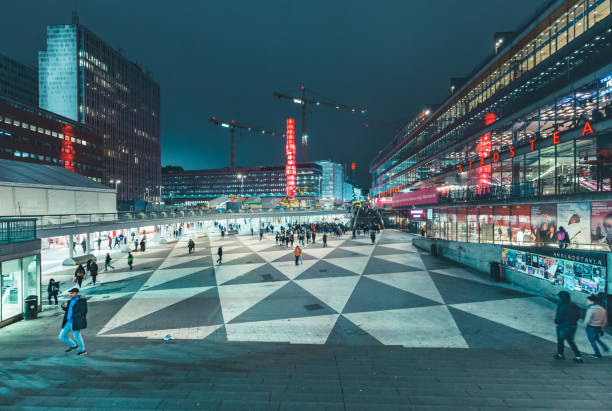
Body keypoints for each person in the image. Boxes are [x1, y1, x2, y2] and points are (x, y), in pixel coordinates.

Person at [554, 291, 583, 363]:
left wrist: (557, 322)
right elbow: (579, 315)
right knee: (571, 341)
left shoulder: (562, 305)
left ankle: (560, 355)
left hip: (563, 326)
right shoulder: (574, 305)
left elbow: (559, 317)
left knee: (560, 341)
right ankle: (578, 357)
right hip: (573, 326)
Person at [59, 288, 88, 355]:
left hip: (75, 322)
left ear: (76, 293)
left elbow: (83, 312)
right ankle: (74, 346)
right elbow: (68, 310)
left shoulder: (82, 301)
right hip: (68, 322)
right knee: (62, 336)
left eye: (72, 293)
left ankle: (83, 351)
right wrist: (63, 307)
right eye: (70, 293)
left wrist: (73, 315)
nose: (70, 294)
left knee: (77, 336)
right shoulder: (70, 301)